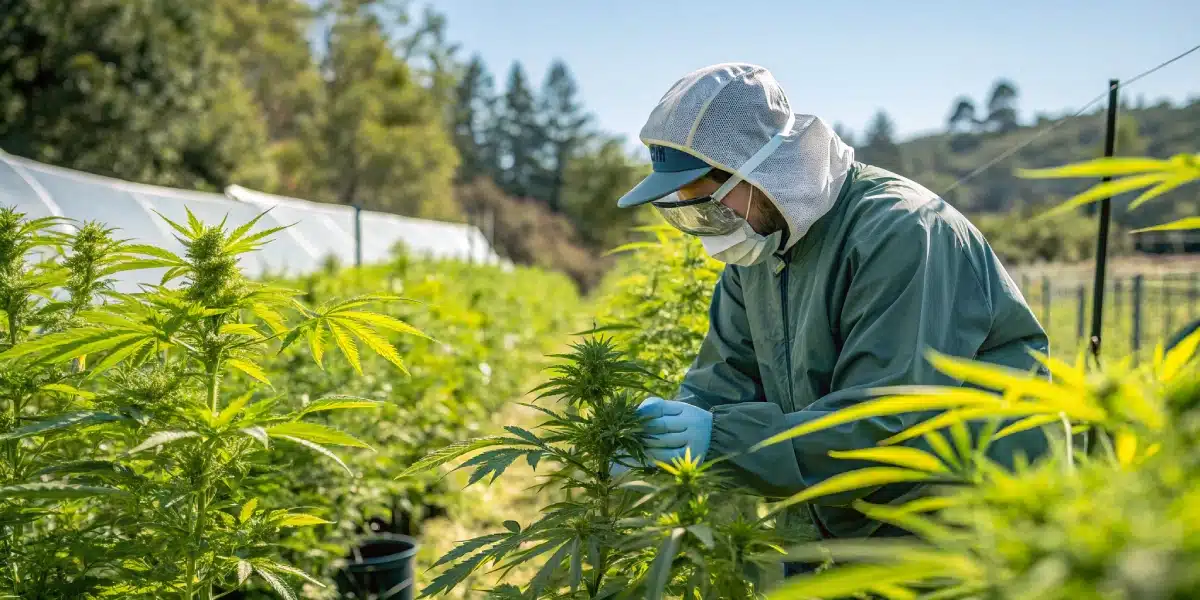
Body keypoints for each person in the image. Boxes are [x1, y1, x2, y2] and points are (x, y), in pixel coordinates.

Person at [611, 63, 1052, 576]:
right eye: (686, 211)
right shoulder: (758, 249)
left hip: (960, 521)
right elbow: (725, 378)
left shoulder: (901, 233)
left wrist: (720, 439)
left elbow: (884, 422)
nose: (708, 226)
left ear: (758, 170)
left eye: (706, 203)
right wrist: (667, 430)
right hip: (841, 513)